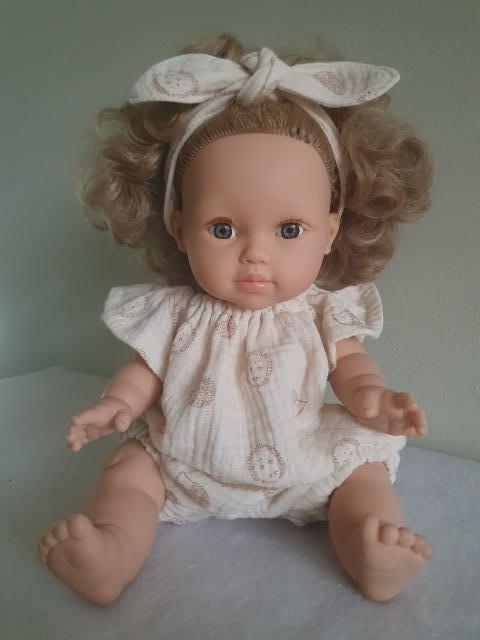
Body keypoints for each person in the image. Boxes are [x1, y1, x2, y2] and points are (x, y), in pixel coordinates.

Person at [36, 32, 433, 605]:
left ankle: (368, 550)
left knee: (362, 471)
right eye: (222, 229)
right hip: (186, 462)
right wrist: (115, 404)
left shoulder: (324, 311)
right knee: (129, 469)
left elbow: (351, 367)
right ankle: (111, 553)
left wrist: (374, 400)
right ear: (179, 229)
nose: (255, 254)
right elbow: (144, 372)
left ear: (330, 232)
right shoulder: (173, 311)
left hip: (303, 460)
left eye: (289, 229)